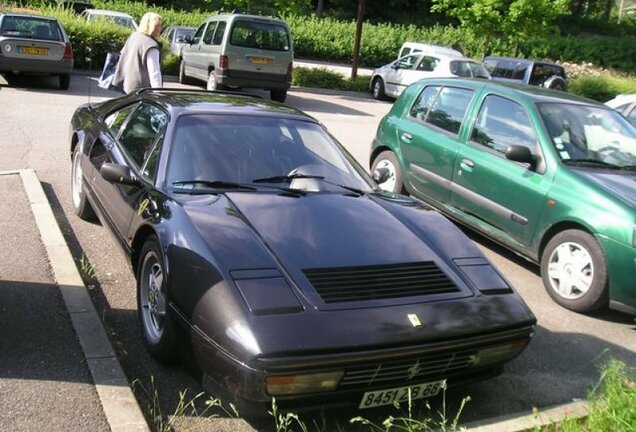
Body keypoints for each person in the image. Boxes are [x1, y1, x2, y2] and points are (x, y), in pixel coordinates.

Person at [112, 12, 163, 94]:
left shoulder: (134, 36)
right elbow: (154, 73)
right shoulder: (151, 46)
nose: (161, 29)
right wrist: (158, 94)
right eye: (159, 26)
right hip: (141, 90)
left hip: (126, 85)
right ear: (152, 27)